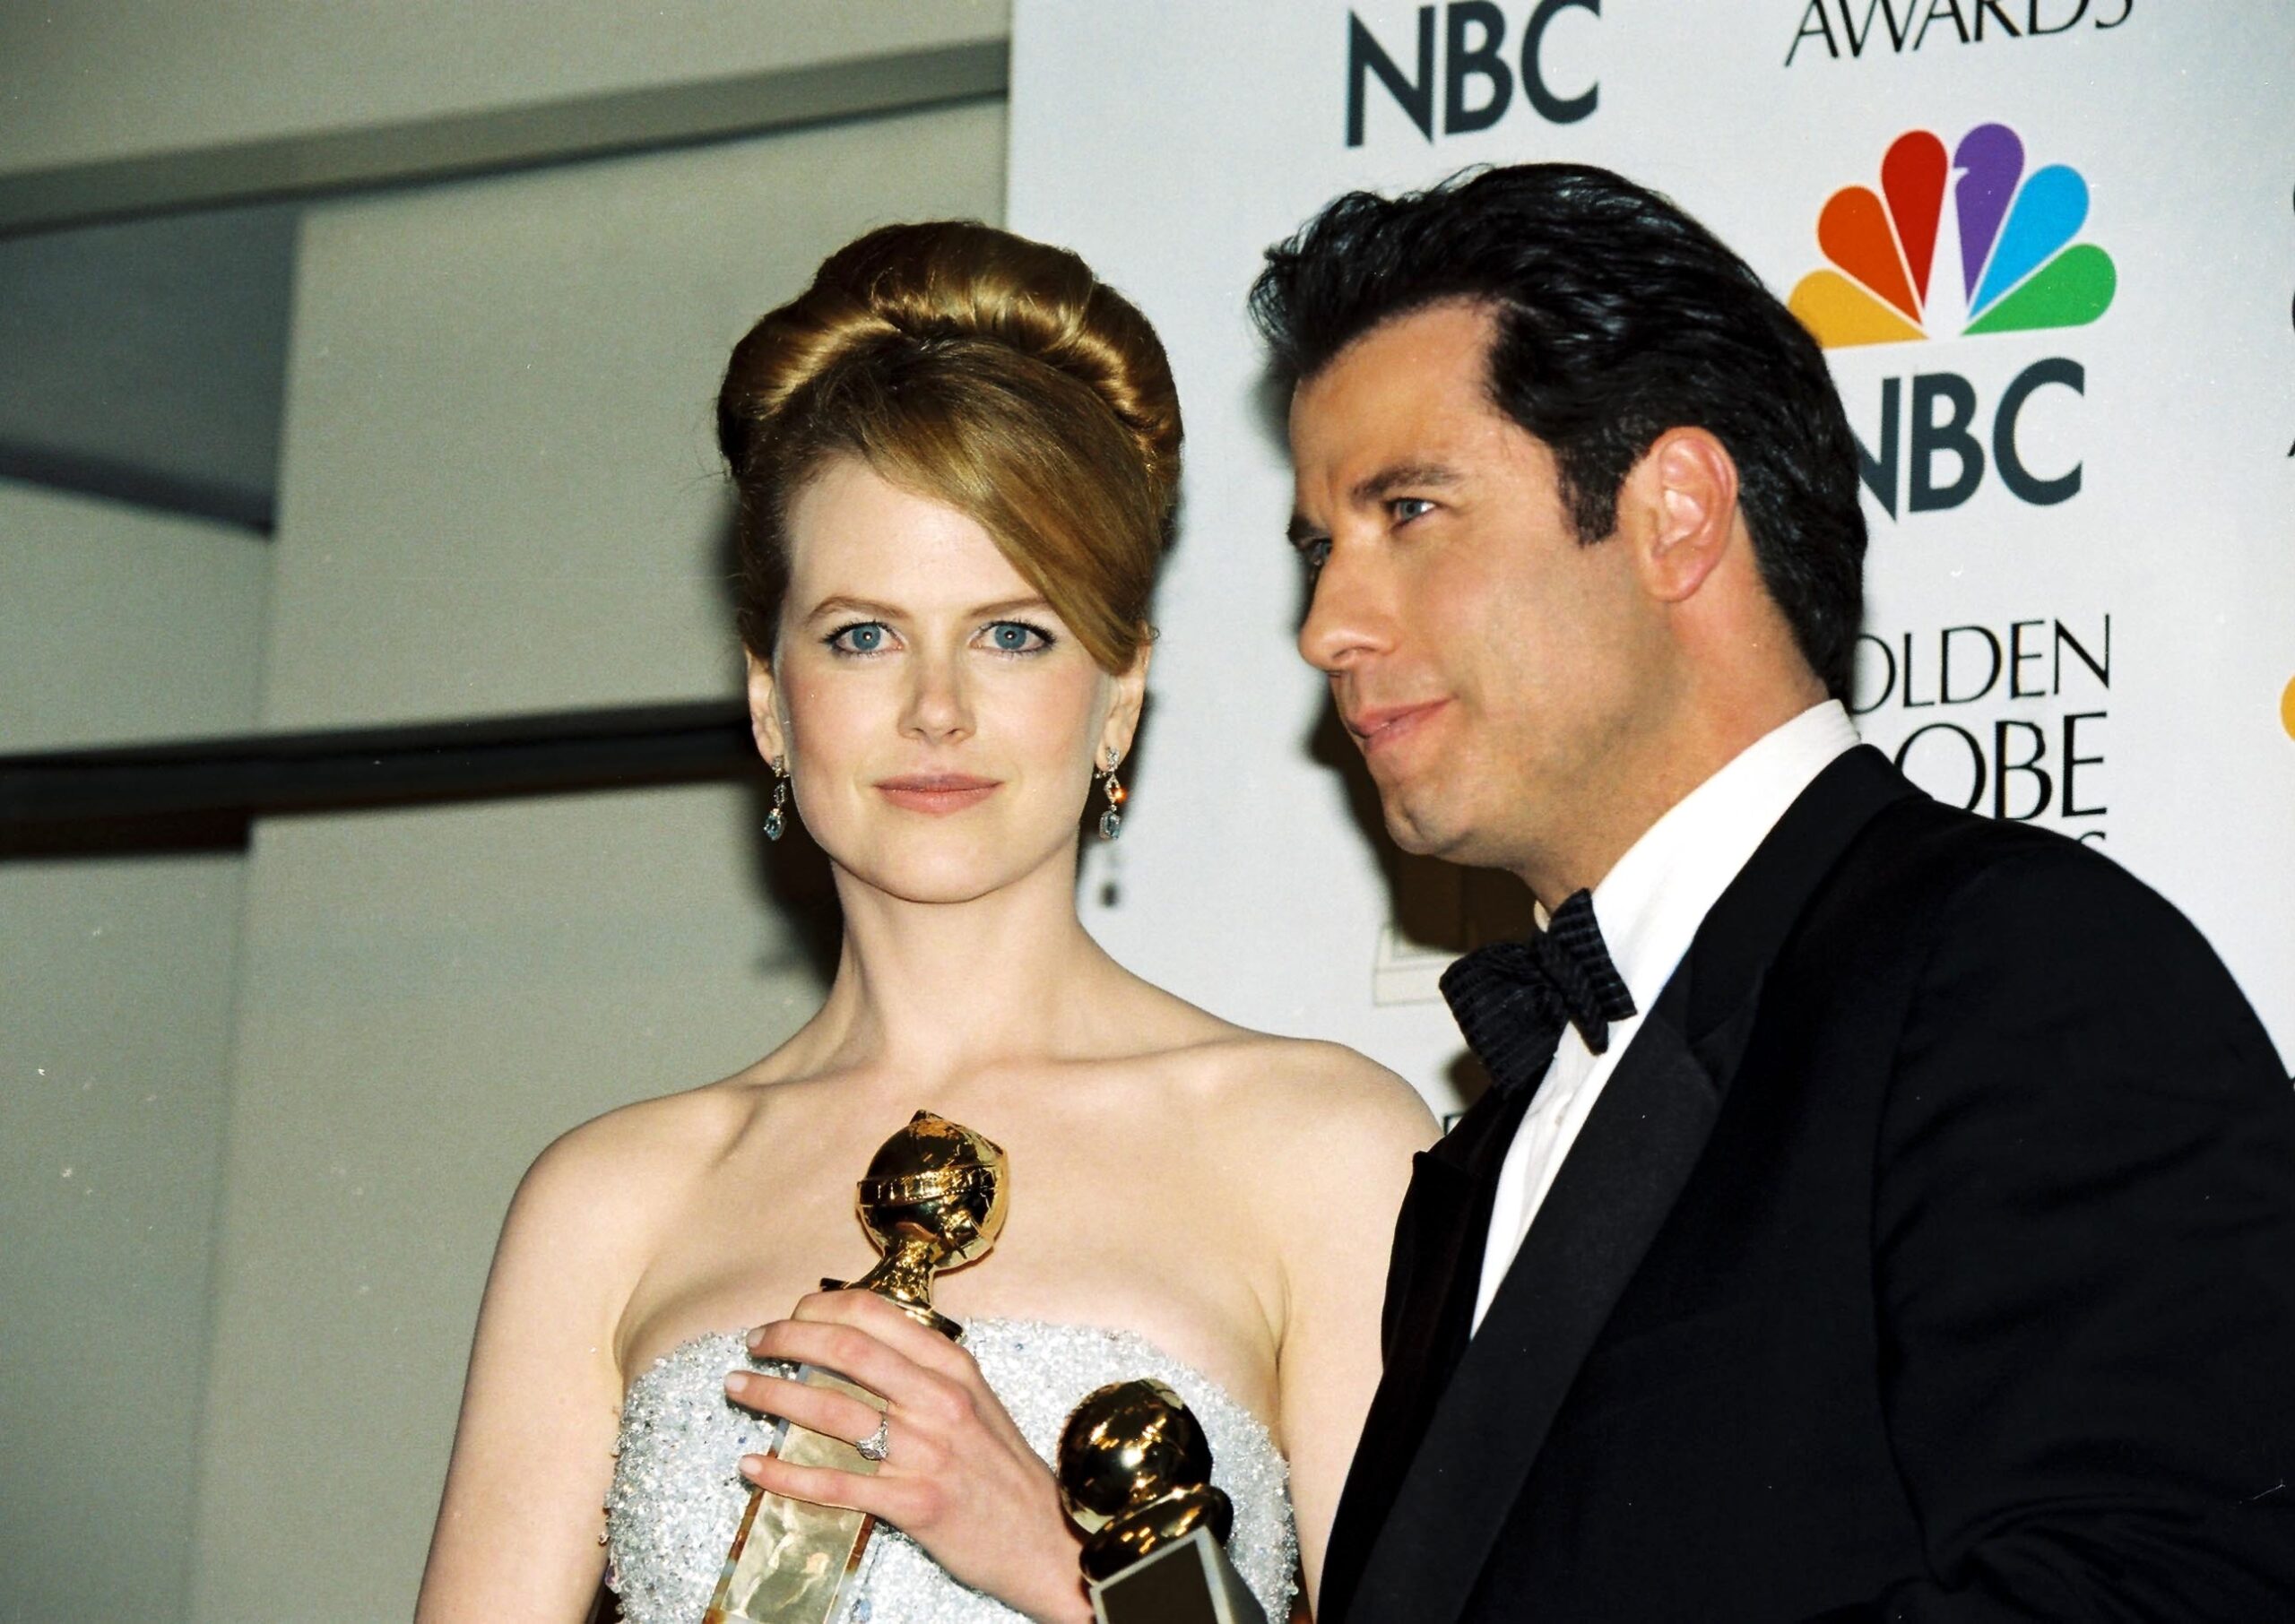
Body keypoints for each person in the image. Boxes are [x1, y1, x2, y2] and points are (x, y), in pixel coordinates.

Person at [1251, 164, 2295, 1622]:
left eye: (1410, 511)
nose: (1327, 628)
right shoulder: (1478, 1168)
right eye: (1319, 550)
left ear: (1676, 512)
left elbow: (2172, 1588)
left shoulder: (2019, 970)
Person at [414, 220, 1434, 1624]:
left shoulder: (1323, 1153)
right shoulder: (611, 1202)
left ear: (1119, 695)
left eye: (1012, 632)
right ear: (771, 701)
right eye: (861, 634)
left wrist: (1060, 1568)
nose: (936, 706)